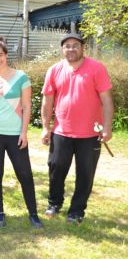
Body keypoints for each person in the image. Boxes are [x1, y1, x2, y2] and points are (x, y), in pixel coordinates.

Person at [41, 32, 113, 224]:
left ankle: (77, 210)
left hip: (90, 134)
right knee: (56, 168)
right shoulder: (54, 70)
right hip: (61, 131)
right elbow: (47, 101)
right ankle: (54, 203)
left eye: (75, 45)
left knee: (85, 173)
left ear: (83, 48)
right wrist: (45, 127)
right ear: (62, 49)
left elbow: (106, 100)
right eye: (67, 46)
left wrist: (107, 128)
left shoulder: (97, 68)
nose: (71, 49)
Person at [0, 36, 43, 228]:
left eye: (0, 55)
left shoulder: (21, 77)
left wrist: (24, 132)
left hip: (15, 134)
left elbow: (27, 106)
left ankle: (33, 214)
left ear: (6, 55)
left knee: (25, 175)